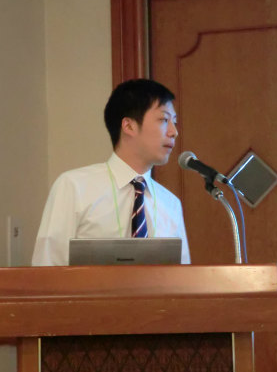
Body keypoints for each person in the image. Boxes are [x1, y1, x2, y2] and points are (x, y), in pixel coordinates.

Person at [31, 79, 190, 266]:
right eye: (164, 120)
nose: (174, 132)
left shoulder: (171, 204)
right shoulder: (73, 187)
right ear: (128, 126)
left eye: (174, 122)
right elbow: (46, 267)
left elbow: (183, 277)